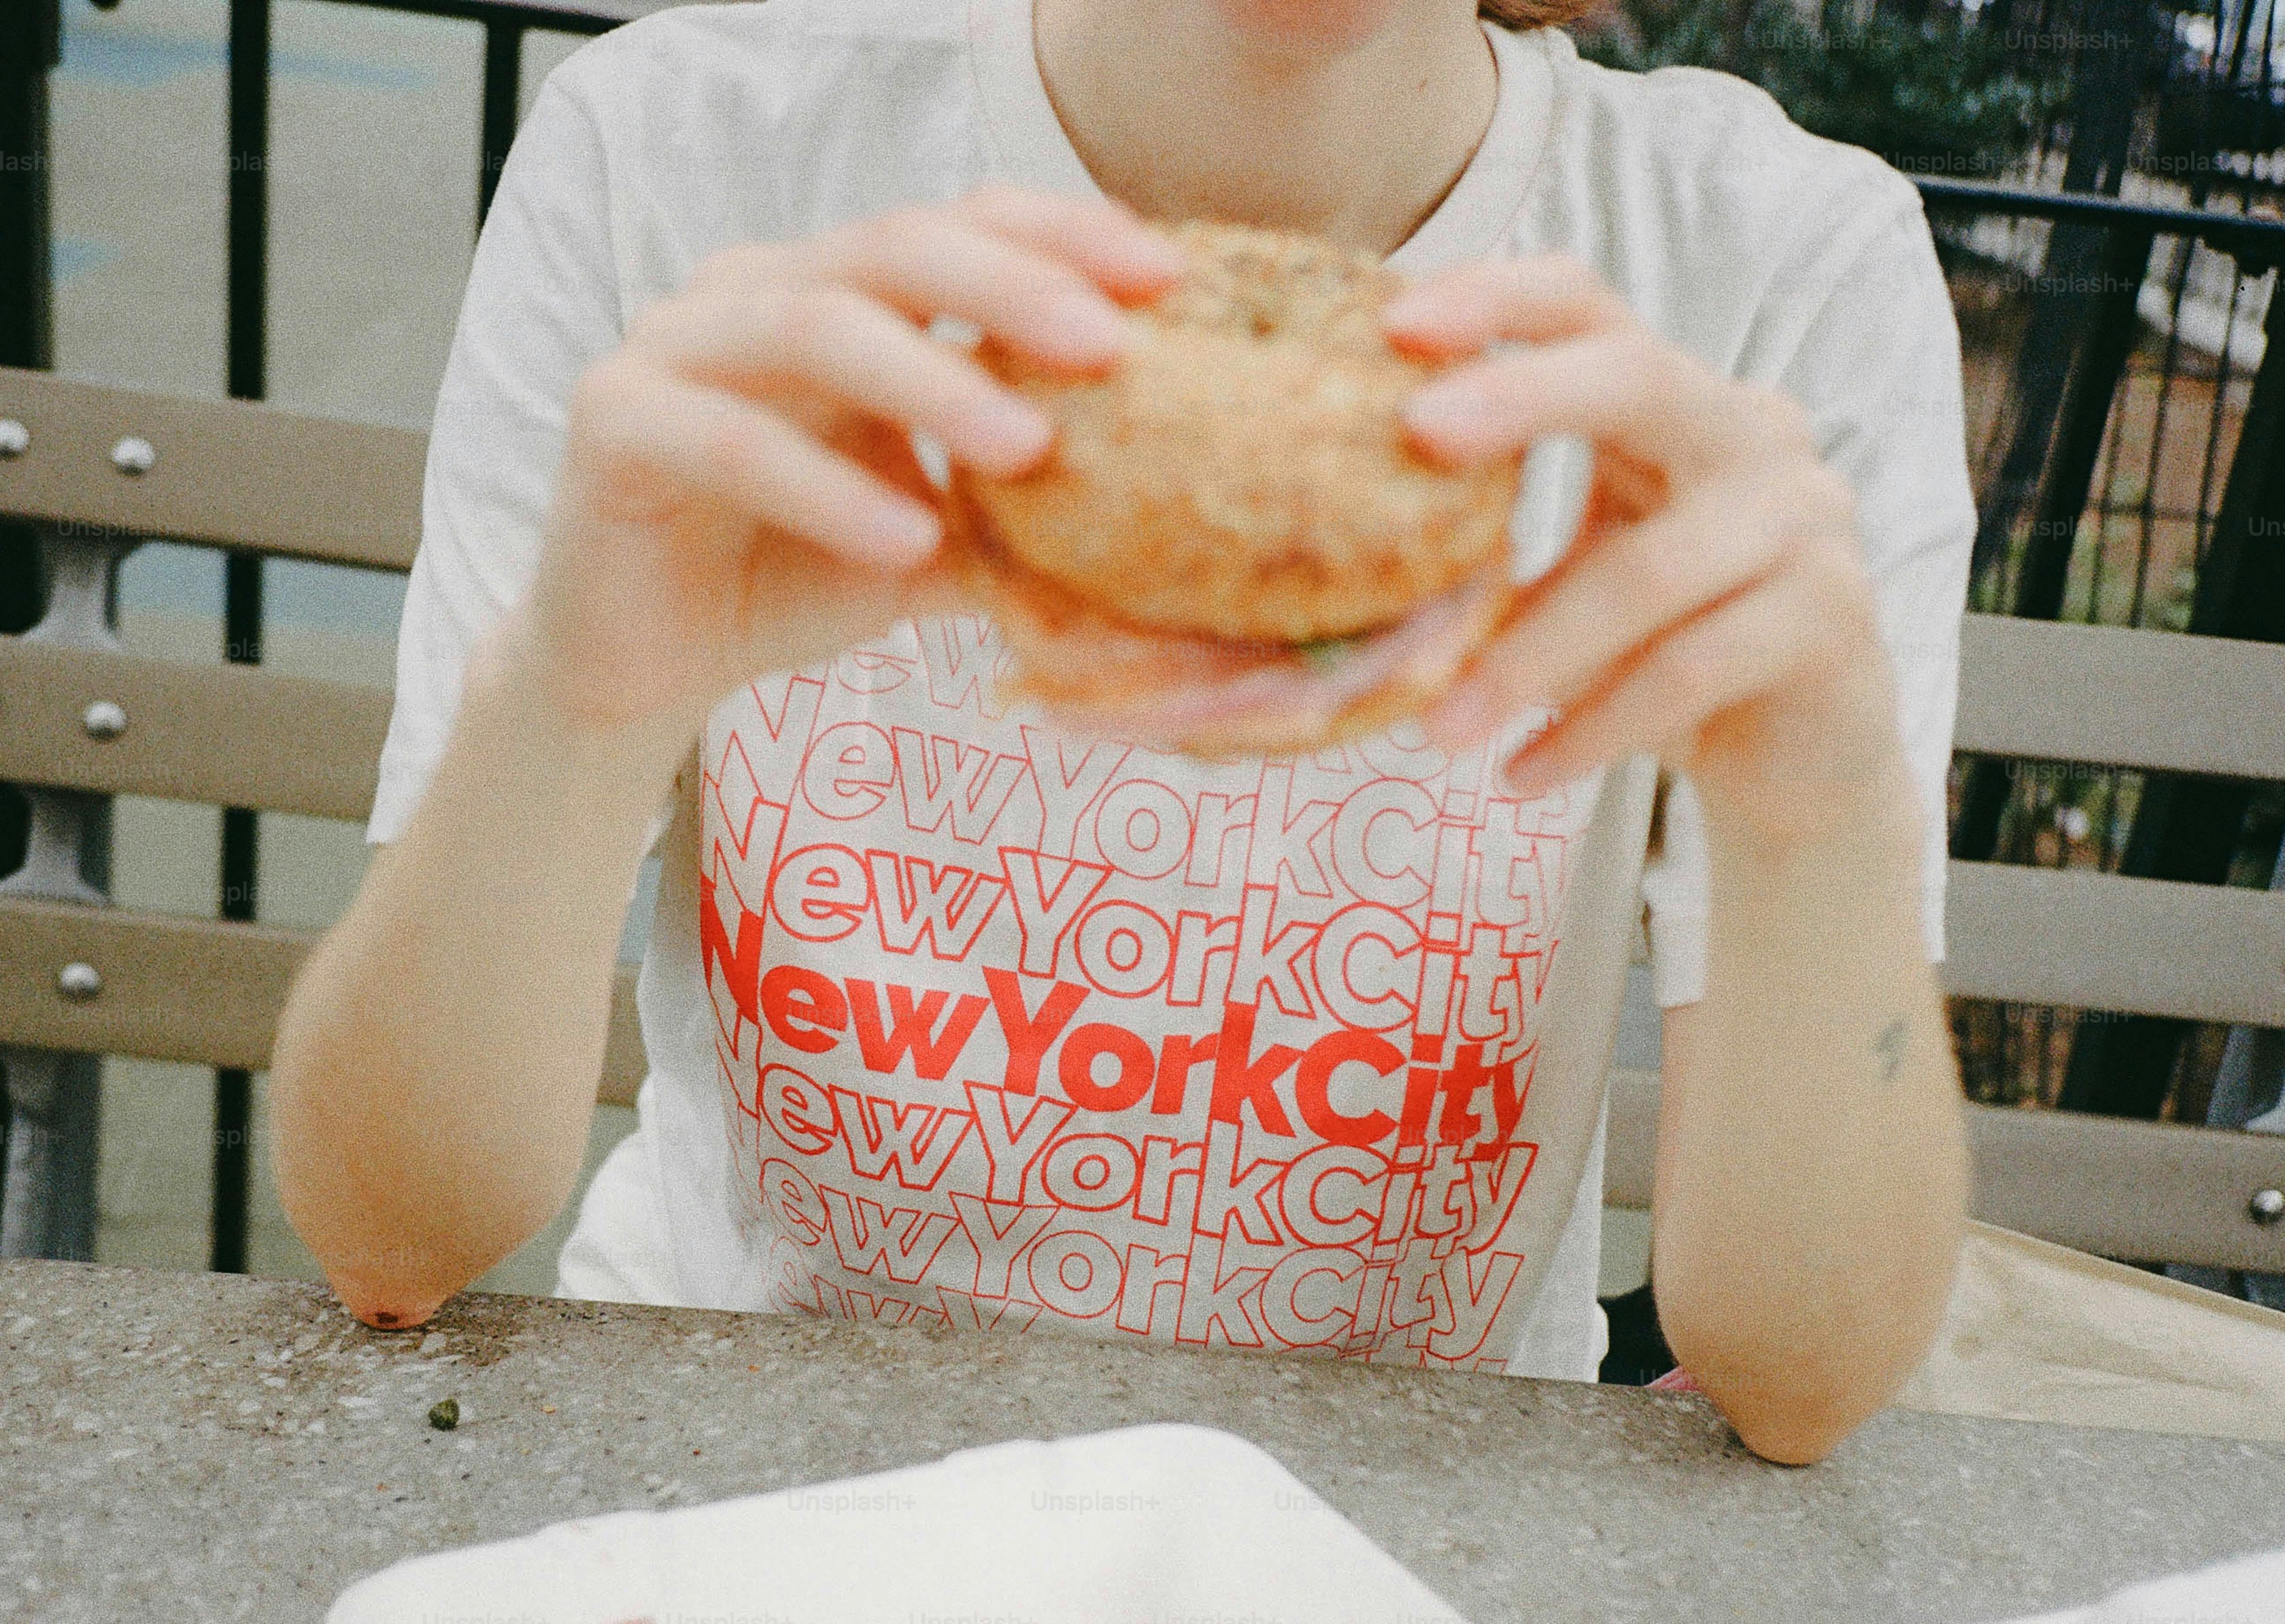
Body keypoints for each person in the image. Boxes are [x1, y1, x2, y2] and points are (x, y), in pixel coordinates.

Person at [270, 0, 1976, 1466]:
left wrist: (1816, 821)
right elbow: (391, 1237)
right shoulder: (686, 155)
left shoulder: (1771, 268)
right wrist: (576, 699)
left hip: (1405, 1516)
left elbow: (1801, 1384)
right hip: (738, 1470)